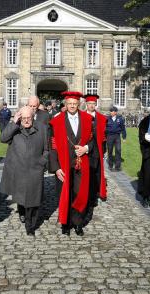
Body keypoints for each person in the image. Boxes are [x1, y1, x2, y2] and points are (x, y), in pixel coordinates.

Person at [49, 91, 95, 236]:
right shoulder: (56, 121)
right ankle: (65, 223)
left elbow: (93, 141)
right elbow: (52, 146)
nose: (72, 106)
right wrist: (56, 168)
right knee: (64, 193)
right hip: (63, 164)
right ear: (65, 104)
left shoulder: (88, 119)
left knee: (80, 194)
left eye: (75, 103)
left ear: (79, 104)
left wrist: (86, 148)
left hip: (83, 163)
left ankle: (78, 223)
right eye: (69, 103)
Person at [0, 106, 49, 236]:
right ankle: (27, 220)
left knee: (35, 199)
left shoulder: (42, 129)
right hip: (19, 170)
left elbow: (47, 149)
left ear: (33, 117)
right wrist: (13, 122)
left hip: (35, 170)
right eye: (24, 118)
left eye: (29, 118)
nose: (26, 121)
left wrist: (42, 162)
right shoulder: (15, 129)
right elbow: (3, 138)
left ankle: (31, 224)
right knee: (23, 199)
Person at [83, 94, 107, 223]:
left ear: (96, 104)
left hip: (97, 151)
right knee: (86, 175)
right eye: (89, 103)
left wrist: (103, 150)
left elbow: (104, 136)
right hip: (85, 151)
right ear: (86, 104)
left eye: (93, 103)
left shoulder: (102, 118)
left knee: (96, 175)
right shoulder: (81, 116)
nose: (91, 105)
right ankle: (85, 196)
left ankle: (93, 198)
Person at [105, 106, 126, 171]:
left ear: (116, 112)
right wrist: (105, 137)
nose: (112, 112)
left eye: (114, 111)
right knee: (110, 151)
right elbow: (104, 128)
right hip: (109, 136)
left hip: (117, 136)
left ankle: (118, 166)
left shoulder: (120, 119)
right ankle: (110, 165)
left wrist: (124, 137)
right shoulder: (107, 119)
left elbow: (123, 128)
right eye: (111, 111)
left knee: (118, 150)